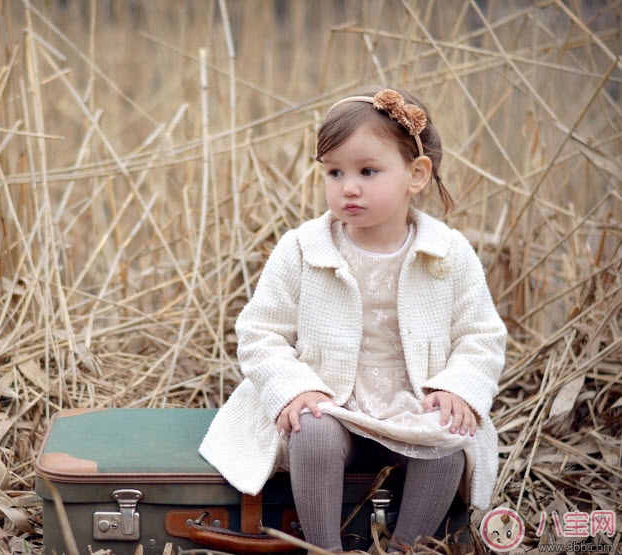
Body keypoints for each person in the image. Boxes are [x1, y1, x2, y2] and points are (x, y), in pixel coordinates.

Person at [199, 87, 507, 553]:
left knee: (449, 442)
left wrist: (458, 388)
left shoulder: (448, 253)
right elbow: (260, 333)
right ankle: (324, 547)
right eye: (334, 171)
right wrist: (296, 387)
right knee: (312, 432)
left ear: (416, 175)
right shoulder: (303, 249)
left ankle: (407, 546)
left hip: (412, 402)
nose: (348, 187)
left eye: (368, 171)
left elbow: (480, 335)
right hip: (332, 400)